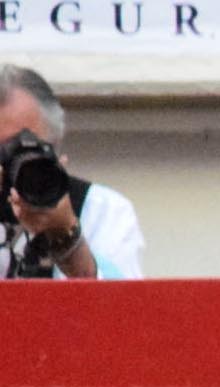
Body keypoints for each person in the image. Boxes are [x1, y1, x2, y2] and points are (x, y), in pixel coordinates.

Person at [0, 64, 143, 280]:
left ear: (56, 149)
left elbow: (123, 309)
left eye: (19, 149)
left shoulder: (102, 211)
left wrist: (67, 238)